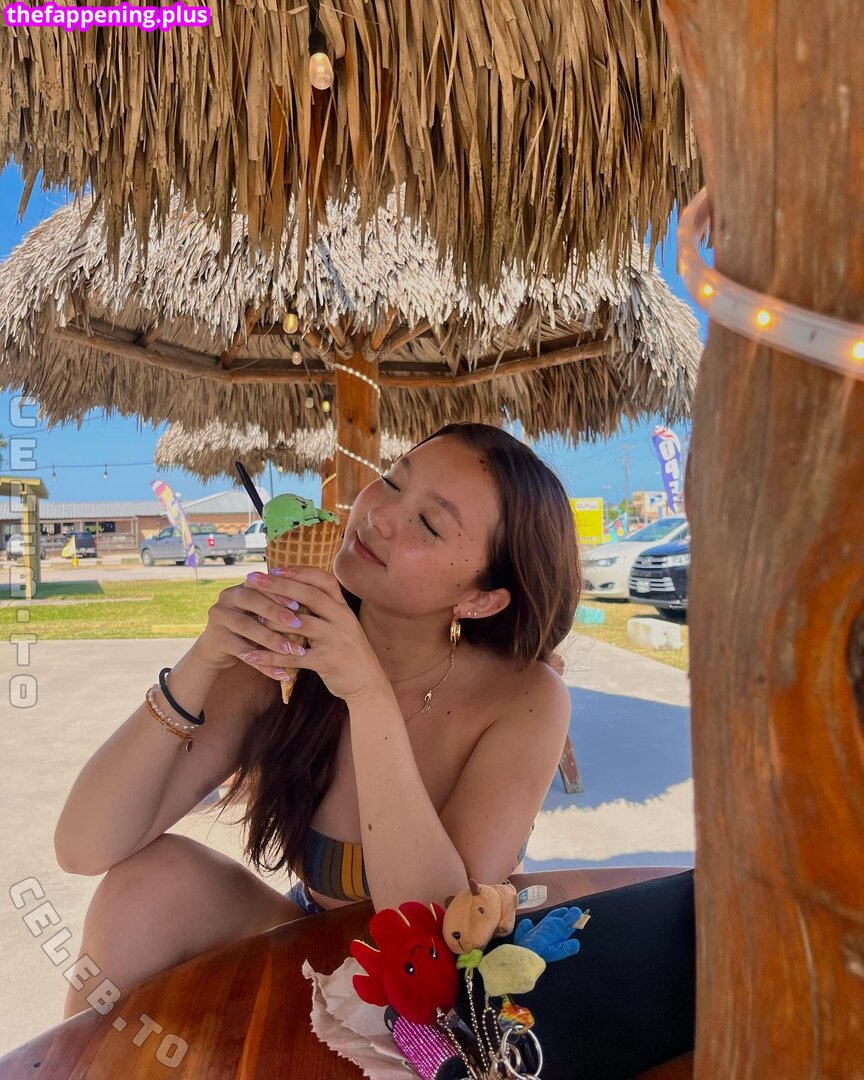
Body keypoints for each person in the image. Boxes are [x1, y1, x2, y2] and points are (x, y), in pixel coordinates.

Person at [55, 423, 579, 1020]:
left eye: (429, 524)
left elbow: (436, 935)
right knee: (143, 886)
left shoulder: (525, 698)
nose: (379, 515)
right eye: (391, 482)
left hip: (441, 996)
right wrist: (204, 660)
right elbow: (82, 847)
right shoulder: (285, 653)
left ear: (480, 599)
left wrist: (367, 695)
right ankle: (79, 1061)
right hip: (313, 940)